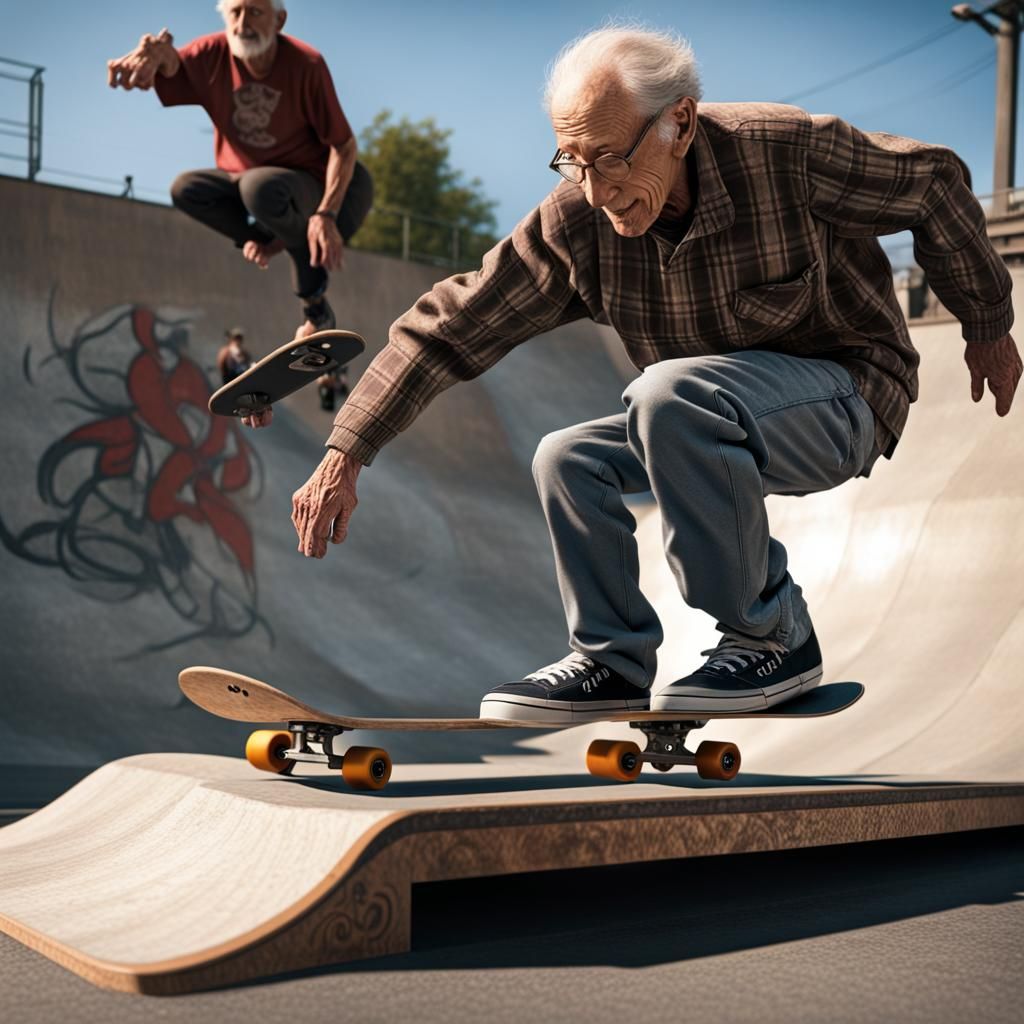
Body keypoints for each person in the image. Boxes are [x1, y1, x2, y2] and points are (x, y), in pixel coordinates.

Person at [268, 27, 1021, 723]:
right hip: (703, 420)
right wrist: (346, 450)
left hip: (847, 394)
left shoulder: (784, 152)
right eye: (575, 163)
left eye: (614, 159)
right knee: (569, 459)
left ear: (681, 123)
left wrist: (985, 320)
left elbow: (932, 182)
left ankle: (770, 632)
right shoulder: (577, 224)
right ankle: (612, 659)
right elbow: (453, 322)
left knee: (668, 393)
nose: (598, 191)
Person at [106, 0, 373, 339]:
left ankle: (313, 300)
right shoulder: (211, 52)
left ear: (279, 21)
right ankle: (269, 240)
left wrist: (326, 215)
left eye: (255, 12)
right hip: (248, 184)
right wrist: (158, 56)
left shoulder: (306, 64)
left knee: (259, 188)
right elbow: (175, 65)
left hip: (310, 186)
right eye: (235, 12)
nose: (243, 23)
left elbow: (344, 145)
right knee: (185, 188)